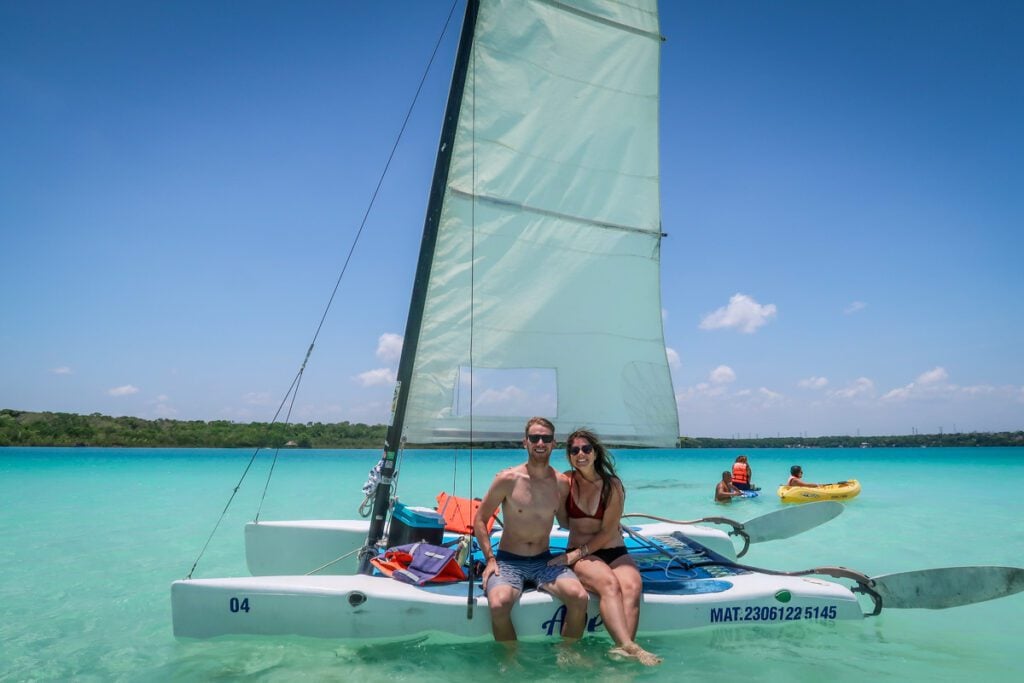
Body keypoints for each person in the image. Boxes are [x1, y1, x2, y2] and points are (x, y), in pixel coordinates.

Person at [548, 428, 662, 666]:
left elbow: (609, 531)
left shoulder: (612, 485)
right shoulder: (565, 482)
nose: (581, 454)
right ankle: (629, 646)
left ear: (596, 453)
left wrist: (577, 554)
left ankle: (621, 653)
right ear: (569, 455)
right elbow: (544, 489)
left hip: (612, 550)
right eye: (575, 450)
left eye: (586, 449)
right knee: (608, 583)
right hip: (580, 554)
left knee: (632, 585)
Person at [473, 417, 590, 645]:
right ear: (524, 442)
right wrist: (489, 559)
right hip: (508, 561)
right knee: (498, 604)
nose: (540, 442)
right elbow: (480, 519)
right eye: (534, 437)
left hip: (544, 561)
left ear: (553, 443)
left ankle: (567, 653)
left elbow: (567, 522)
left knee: (579, 597)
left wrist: (602, 522)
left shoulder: (561, 483)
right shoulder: (507, 479)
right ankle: (510, 661)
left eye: (546, 438)